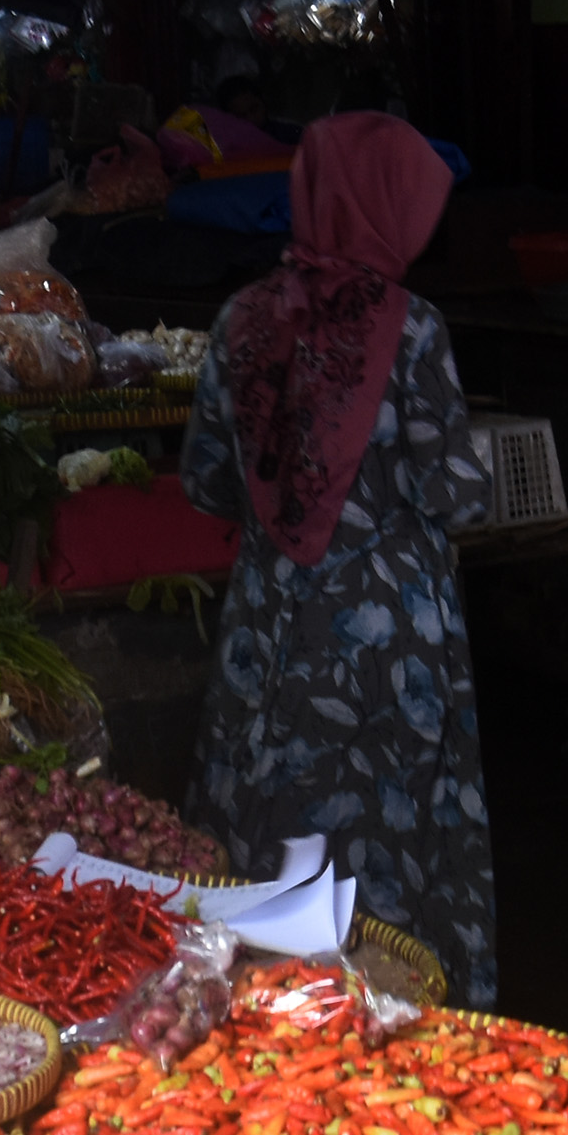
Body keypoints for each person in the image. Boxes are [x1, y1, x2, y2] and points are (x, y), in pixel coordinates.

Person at [178, 114, 499, 1005]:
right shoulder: (413, 328)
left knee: (262, 824)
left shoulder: (240, 319)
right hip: (384, 636)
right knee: (386, 837)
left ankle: (249, 1013)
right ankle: (389, 1015)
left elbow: (205, 480)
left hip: (267, 625)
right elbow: (456, 493)